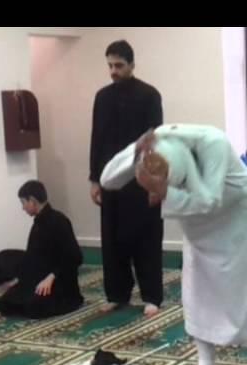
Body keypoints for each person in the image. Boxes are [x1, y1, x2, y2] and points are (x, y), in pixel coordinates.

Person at [100, 125, 247, 365]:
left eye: (158, 190)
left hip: (241, 222)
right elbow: (108, 179)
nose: (152, 198)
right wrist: (135, 150)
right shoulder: (157, 141)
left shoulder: (213, 142)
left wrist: (165, 191)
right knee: (198, 295)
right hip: (200, 231)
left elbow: (208, 200)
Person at [89, 40, 164, 318]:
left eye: (119, 65)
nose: (113, 71)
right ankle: (117, 294)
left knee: (146, 238)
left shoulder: (149, 96)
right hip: (111, 180)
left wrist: (155, 183)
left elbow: (157, 141)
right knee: (113, 239)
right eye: (110, 65)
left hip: (141, 180)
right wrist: (95, 179)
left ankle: (152, 296)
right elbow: (96, 140)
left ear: (132, 65)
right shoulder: (102, 97)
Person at [0, 181, 84, 320]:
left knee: (34, 307)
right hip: (37, 280)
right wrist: (19, 280)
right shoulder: (38, 224)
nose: (23, 208)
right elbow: (32, 257)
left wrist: (51, 277)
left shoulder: (59, 221)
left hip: (58, 282)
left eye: (23, 203)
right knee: (4, 303)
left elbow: (74, 257)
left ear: (32, 201)